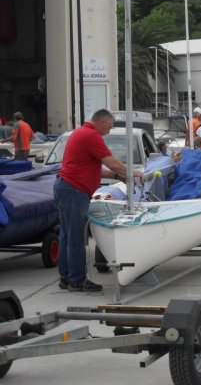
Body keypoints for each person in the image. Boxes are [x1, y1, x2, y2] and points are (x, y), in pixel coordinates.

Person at [54, 109, 143, 292]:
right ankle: (77, 280)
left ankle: (66, 277)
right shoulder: (91, 136)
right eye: (109, 127)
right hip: (75, 190)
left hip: (65, 187)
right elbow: (113, 163)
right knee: (76, 237)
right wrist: (133, 173)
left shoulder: (80, 132)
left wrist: (117, 176)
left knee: (67, 235)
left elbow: (94, 168)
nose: (109, 131)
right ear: (102, 123)